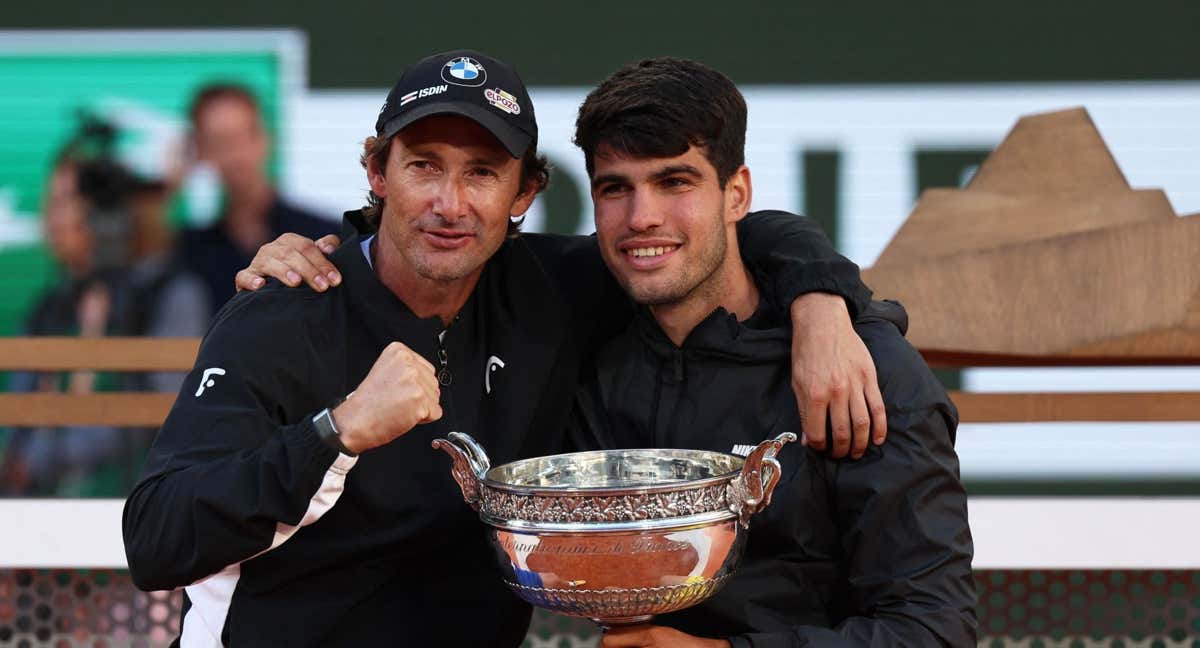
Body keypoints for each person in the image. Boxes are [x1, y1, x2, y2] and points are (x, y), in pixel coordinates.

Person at [123, 50, 879, 647]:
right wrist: (338, 432)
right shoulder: (285, 312)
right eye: (423, 166)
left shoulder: (549, 287)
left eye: (482, 173)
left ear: (524, 194)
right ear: (376, 173)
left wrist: (821, 302)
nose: (450, 204)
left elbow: (717, 237)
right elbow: (157, 540)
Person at [565, 58, 976, 647]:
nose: (642, 217)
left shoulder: (863, 366)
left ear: (737, 195)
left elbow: (933, 633)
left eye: (675, 182)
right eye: (615, 188)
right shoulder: (576, 330)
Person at [177, 83, 338, 314]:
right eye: (220, 143)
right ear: (200, 151)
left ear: (265, 138)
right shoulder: (190, 251)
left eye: (244, 137)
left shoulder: (324, 236)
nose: (236, 155)